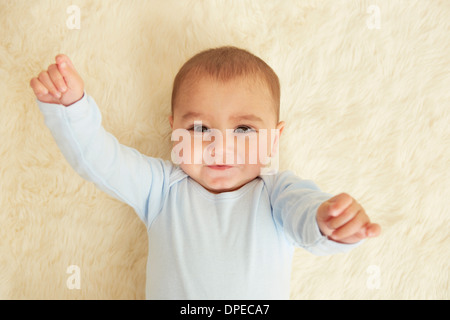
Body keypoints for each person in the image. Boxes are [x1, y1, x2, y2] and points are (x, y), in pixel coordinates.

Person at [30, 46, 380, 299]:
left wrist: (329, 222)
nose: (219, 146)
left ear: (275, 139)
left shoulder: (278, 194)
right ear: (173, 130)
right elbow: (100, 159)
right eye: (199, 128)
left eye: (244, 130)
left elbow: (307, 214)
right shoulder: (161, 189)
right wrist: (72, 109)